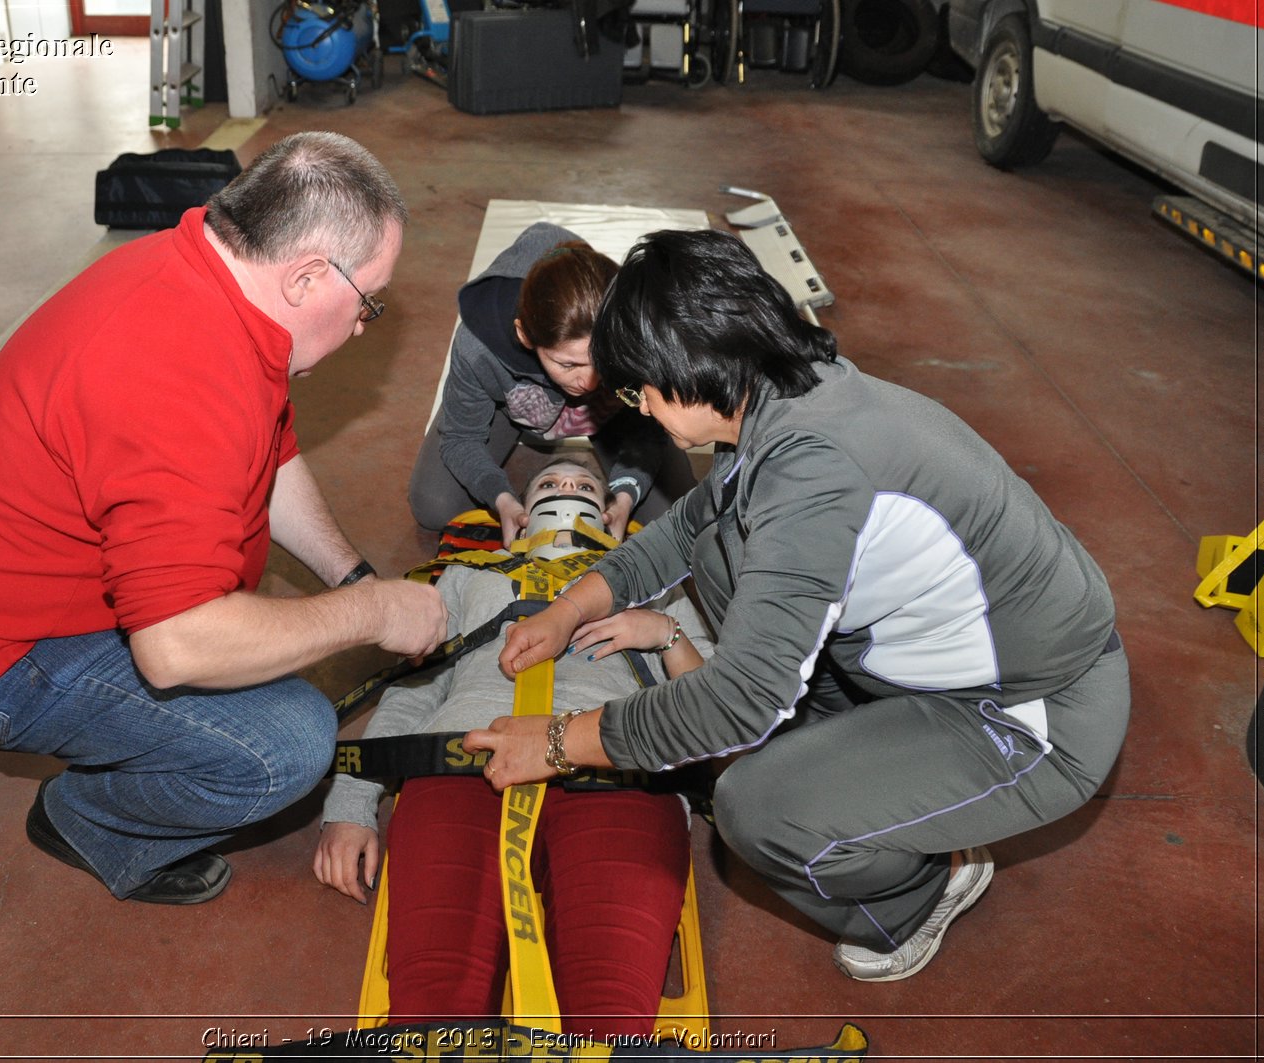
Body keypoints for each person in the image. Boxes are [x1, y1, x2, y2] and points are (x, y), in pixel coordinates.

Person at [470, 228, 1130, 982]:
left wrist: (558, 742)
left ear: (685, 372)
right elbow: (686, 529)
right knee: (720, 541)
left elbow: (741, 701)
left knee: (757, 806)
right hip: (951, 668)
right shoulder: (785, 395)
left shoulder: (814, 472)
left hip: (1037, 710)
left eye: (638, 389)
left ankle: (919, 892)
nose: (641, 409)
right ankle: (879, 776)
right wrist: (569, 608)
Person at [0, 132, 447, 905]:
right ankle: (88, 819)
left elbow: (270, 459)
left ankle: (124, 751)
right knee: (286, 743)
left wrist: (352, 576)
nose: (364, 328)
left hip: (54, 601)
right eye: (368, 306)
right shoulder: (180, 379)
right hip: (1, 659)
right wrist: (370, 610)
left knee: (269, 652)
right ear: (308, 277)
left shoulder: (206, 273)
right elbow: (175, 645)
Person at [314, 458, 712, 1035]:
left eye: (583, 487)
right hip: (464, 761)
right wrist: (349, 806)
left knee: (611, 1018)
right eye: (550, 485)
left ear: (614, 516)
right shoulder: (465, 577)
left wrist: (664, 633)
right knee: (435, 1010)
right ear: (518, 519)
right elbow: (411, 697)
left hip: (614, 763)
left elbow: (722, 707)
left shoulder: (664, 591)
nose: (566, 492)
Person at [407, 222, 694, 546]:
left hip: (612, 413)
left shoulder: (632, 331)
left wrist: (625, 495)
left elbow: (648, 432)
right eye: (567, 364)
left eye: (600, 361)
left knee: (678, 514)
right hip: (508, 405)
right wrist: (499, 496)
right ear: (525, 337)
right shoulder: (479, 348)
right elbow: (461, 438)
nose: (587, 381)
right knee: (434, 505)